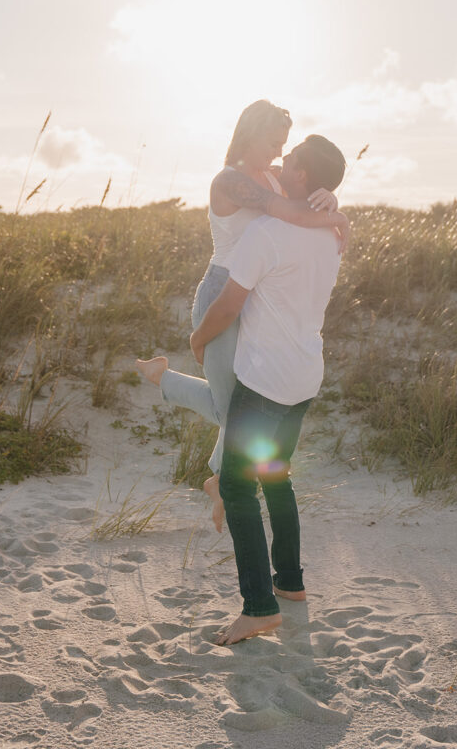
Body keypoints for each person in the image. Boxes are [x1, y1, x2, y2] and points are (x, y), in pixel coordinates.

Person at [136, 101, 348, 531]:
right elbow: (289, 212)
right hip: (223, 295)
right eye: (273, 142)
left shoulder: (271, 176)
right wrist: (337, 215)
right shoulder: (230, 181)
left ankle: (217, 477)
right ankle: (165, 381)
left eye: (283, 146)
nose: (278, 152)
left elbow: (301, 208)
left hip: (257, 298)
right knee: (233, 409)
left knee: (247, 404)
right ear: (251, 133)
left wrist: (329, 197)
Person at [190, 134, 346, 646]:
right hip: (305, 377)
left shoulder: (267, 232)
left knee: (237, 487)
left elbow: (230, 305)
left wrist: (199, 337)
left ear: (301, 178)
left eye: (291, 156)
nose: (283, 159)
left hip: (264, 382)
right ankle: (291, 584)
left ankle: (259, 607)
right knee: (276, 478)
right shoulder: (332, 234)